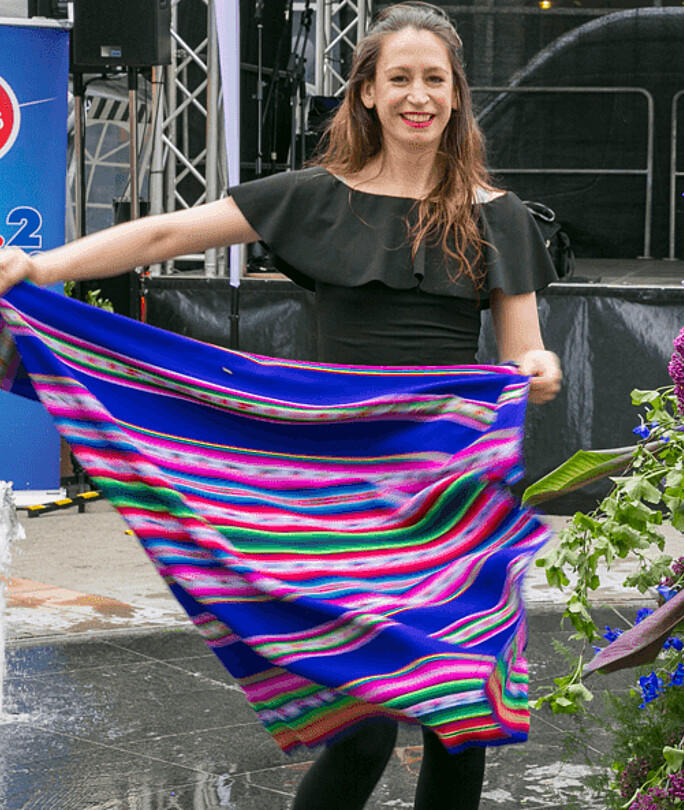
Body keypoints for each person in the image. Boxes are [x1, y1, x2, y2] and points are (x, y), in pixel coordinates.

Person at [0, 3, 561, 809]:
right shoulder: (315, 196)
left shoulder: (496, 215)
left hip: (447, 496)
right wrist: (42, 268)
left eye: (433, 79)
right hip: (334, 493)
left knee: (460, 714)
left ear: (455, 93)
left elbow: (524, 350)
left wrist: (536, 370)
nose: (418, 95)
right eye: (399, 78)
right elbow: (165, 235)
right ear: (367, 92)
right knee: (362, 724)